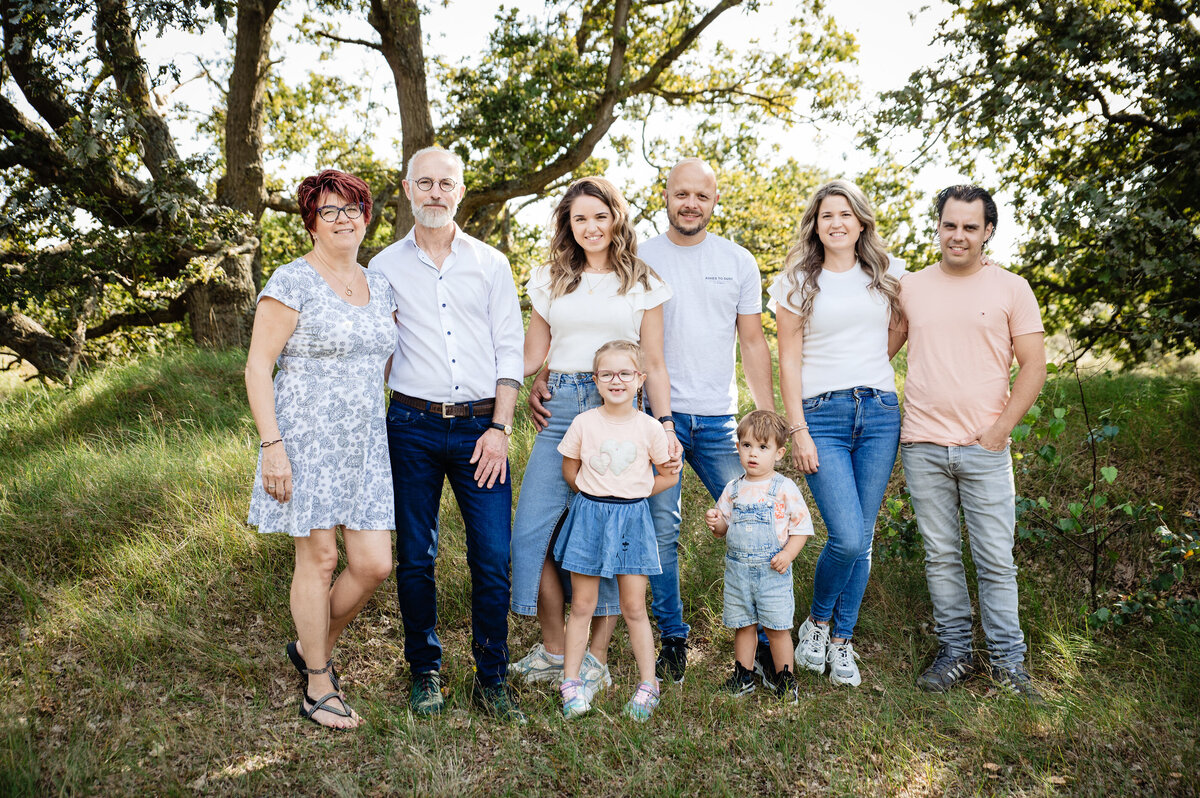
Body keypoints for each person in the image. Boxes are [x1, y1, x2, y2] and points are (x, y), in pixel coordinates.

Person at [531, 158, 775, 686]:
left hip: (713, 417)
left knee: (757, 517)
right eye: (680, 193)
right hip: (637, 415)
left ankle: (768, 641)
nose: (691, 203)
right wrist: (540, 374)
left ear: (714, 201)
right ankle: (672, 638)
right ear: (664, 196)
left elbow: (753, 341)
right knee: (655, 531)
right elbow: (583, 322)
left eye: (702, 196)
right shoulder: (638, 258)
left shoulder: (735, 260)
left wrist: (767, 414)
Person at [369, 146, 527, 722]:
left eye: (447, 183)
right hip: (409, 427)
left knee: (492, 557)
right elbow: (376, 353)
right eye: (425, 183)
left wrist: (501, 427)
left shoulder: (491, 264)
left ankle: (492, 678)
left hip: (482, 429)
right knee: (416, 557)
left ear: (460, 191)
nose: (436, 192)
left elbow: (510, 348)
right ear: (408, 189)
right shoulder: (381, 268)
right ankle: (425, 672)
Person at [509, 177, 681, 702]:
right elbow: (532, 350)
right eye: (580, 218)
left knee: (615, 526)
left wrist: (667, 423)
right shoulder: (550, 278)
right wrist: (501, 394)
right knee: (529, 534)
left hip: (622, 410)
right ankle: (558, 650)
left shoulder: (643, 281)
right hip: (561, 408)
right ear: (568, 223)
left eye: (600, 217)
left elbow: (652, 361)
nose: (591, 227)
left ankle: (599, 659)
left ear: (616, 220)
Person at [245, 169, 397, 729]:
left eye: (353, 208)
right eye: (329, 210)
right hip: (303, 441)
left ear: (366, 217)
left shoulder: (379, 284)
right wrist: (272, 446)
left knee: (374, 564)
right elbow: (258, 367)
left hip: (364, 444)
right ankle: (317, 683)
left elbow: (382, 359)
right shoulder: (291, 281)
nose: (343, 218)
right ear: (311, 222)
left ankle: (311, 645)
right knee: (320, 558)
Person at [888, 185, 1047, 702]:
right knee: (941, 556)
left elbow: (1035, 367)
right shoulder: (909, 286)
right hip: (923, 445)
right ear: (938, 226)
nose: (958, 236)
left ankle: (1008, 663)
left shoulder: (1011, 288)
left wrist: (998, 431)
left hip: (985, 447)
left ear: (988, 232)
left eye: (970, 227)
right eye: (950, 225)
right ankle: (955, 653)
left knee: (997, 559)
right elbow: (874, 354)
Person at [770, 179, 905, 688]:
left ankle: (841, 641)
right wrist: (798, 428)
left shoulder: (887, 276)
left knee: (863, 538)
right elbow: (788, 358)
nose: (837, 223)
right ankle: (818, 621)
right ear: (816, 224)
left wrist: (869, 371)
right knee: (846, 536)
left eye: (846, 214)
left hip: (880, 412)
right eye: (828, 215)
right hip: (821, 415)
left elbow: (900, 328)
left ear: (862, 221)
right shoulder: (796, 282)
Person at [555, 340, 680, 722]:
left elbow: (669, 474)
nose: (616, 380)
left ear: (640, 380)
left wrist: (636, 492)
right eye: (607, 374)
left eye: (626, 373)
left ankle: (649, 685)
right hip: (589, 517)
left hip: (633, 520)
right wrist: (594, 496)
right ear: (595, 380)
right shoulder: (585, 423)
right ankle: (571, 682)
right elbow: (570, 470)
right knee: (581, 605)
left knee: (633, 607)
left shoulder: (648, 428)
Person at [705, 410, 813, 704]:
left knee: (777, 628)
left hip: (772, 570)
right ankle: (743, 675)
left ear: (778, 453)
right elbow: (725, 529)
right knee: (744, 624)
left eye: (763, 448)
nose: (753, 454)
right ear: (738, 447)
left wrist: (788, 554)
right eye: (747, 445)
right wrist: (718, 523)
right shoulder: (733, 489)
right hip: (738, 571)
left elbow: (801, 528)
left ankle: (785, 677)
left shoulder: (783, 489)